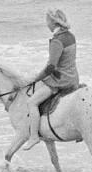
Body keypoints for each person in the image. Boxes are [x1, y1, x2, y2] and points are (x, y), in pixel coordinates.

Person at [25, 9, 79, 143]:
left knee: (31, 102)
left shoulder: (57, 40)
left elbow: (50, 67)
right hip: (73, 78)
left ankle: (33, 137)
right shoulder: (70, 36)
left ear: (54, 23)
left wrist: (36, 78)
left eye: (48, 22)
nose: (47, 25)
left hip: (60, 81)